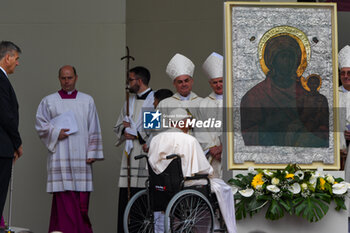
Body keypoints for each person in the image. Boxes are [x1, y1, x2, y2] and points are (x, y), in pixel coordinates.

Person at [35, 65, 104, 233]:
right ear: (59, 79)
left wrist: (92, 152)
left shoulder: (87, 100)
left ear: (76, 78)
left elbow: (94, 127)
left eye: (70, 78)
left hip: (82, 157)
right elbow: (40, 125)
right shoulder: (49, 101)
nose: (66, 81)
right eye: (63, 78)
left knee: (81, 204)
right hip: (60, 157)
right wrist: (56, 133)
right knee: (64, 203)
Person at [148, 108, 237, 233]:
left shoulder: (156, 139)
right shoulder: (189, 140)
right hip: (185, 184)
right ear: (183, 122)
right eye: (188, 122)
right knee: (224, 187)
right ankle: (226, 228)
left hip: (160, 184)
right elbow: (203, 169)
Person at [240, 34, 329, 147]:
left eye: (291, 57)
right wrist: (270, 124)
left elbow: (323, 127)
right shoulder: (256, 96)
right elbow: (247, 133)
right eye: (283, 56)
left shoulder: (306, 93)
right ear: (272, 60)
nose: (288, 61)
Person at [113, 66, 154, 233]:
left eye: (130, 80)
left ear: (140, 81)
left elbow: (153, 130)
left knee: (143, 201)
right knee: (126, 199)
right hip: (129, 156)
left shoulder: (154, 100)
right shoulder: (128, 102)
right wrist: (124, 131)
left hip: (143, 154)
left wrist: (135, 133)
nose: (128, 84)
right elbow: (118, 125)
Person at [0, 41, 23, 222]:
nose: (17, 63)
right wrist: (17, 143)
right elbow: (6, 115)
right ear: (7, 57)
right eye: (16, 58)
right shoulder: (0, 80)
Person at [196, 52, 224, 178]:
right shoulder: (203, 103)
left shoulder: (236, 100)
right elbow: (200, 128)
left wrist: (224, 147)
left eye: (221, 81)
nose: (218, 85)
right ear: (210, 84)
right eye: (214, 82)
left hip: (229, 154)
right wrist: (211, 148)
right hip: (212, 156)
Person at [157, 53, 202, 120]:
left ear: (192, 81)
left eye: (186, 81)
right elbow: (153, 126)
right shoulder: (164, 104)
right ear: (174, 84)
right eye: (180, 82)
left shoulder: (202, 103)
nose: (184, 84)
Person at [339, 45, 350, 178]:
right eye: (343, 73)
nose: (346, 76)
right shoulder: (334, 95)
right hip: (339, 152)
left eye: (349, 72)